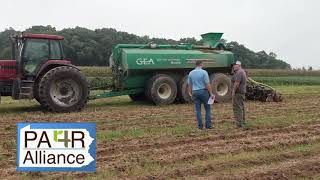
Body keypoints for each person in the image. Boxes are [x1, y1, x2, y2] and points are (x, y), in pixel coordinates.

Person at [187, 60, 215, 129]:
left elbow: (190, 84)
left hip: (195, 92)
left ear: (196, 65)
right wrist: (211, 93)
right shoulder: (204, 72)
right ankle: (208, 125)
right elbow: (207, 84)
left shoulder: (191, 73)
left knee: (197, 110)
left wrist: (190, 93)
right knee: (207, 109)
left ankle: (200, 126)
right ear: (201, 64)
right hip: (203, 92)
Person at [231, 61, 247, 127]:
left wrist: (233, 92)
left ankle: (239, 123)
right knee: (241, 107)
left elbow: (237, 83)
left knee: (238, 108)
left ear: (238, 65)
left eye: (235, 65)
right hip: (241, 93)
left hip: (238, 93)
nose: (233, 66)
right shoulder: (241, 72)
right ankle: (242, 121)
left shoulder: (239, 72)